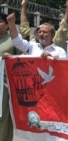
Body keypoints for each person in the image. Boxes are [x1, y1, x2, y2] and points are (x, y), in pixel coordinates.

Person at [0, 12, 22, 141]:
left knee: (2, 118)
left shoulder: (12, 41)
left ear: (7, 25)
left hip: (4, 86)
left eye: (0, 21)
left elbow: (24, 59)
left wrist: (11, 58)